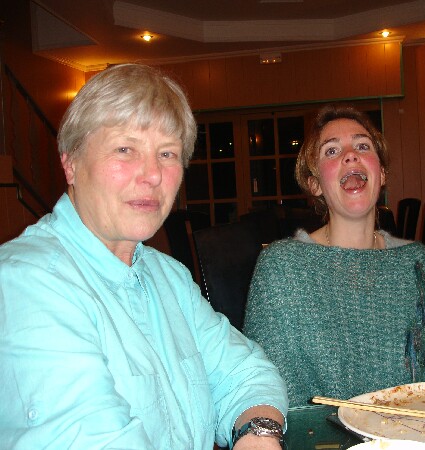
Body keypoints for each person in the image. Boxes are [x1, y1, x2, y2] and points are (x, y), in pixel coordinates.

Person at [0, 64, 287, 450]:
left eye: (167, 153)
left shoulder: (167, 275)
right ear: (71, 162)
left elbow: (245, 371)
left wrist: (258, 434)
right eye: (125, 149)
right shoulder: (25, 283)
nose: (152, 174)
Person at [243, 104, 425, 408]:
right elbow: (271, 393)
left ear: (382, 173)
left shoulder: (416, 263)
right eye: (331, 151)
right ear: (315, 184)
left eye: (362, 146)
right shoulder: (282, 268)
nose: (350, 155)